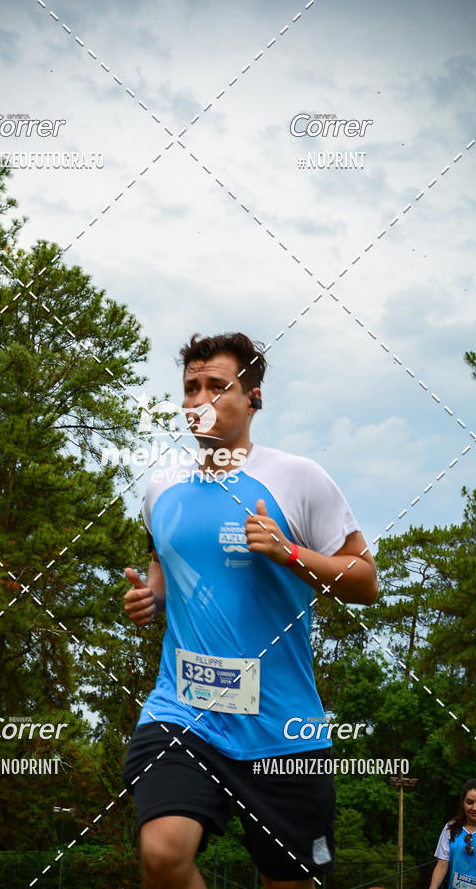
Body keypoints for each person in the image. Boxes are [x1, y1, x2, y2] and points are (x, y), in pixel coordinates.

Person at [121, 332, 378, 889]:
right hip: (184, 712)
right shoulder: (161, 487)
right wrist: (151, 596)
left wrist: (290, 554)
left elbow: (365, 580)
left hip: (282, 732)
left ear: (253, 398)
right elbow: (166, 563)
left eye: (218, 385)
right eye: (191, 387)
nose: (200, 399)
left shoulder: (298, 477)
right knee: (162, 854)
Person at [429, 779, 476, 889]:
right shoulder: (451, 828)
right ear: (463, 803)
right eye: (469, 802)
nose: (474, 808)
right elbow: (442, 865)